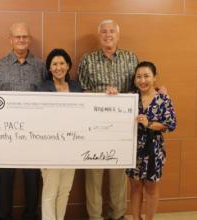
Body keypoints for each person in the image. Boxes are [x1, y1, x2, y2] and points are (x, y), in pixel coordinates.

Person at [0, 22, 47, 220]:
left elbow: (49, 94)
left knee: (32, 179)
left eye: (25, 37)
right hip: (6, 134)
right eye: (17, 37)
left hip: (34, 133)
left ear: (29, 39)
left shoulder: (41, 66)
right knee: (5, 178)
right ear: (10, 40)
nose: (21, 40)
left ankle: (31, 215)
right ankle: (3, 216)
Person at [78, 19, 138, 220]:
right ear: (99, 35)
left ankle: (118, 215)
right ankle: (95, 217)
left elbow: (137, 88)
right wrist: (102, 94)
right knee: (93, 176)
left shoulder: (131, 58)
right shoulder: (88, 59)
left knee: (117, 175)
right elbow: (82, 90)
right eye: (104, 32)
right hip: (93, 128)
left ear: (118, 34)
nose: (108, 34)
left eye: (112, 31)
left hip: (121, 129)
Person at [126, 61, 176, 220]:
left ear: (154, 78)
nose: (142, 80)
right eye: (138, 76)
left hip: (154, 149)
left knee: (151, 188)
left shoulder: (163, 99)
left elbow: (171, 124)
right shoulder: (130, 97)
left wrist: (149, 124)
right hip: (133, 147)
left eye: (146, 76)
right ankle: (136, 218)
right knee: (135, 187)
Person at [36, 49, 82, 220]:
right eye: (54, 64)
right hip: (49, 146)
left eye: (62, 63)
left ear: (68, 65)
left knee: (65, 190)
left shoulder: (76, 87)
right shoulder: (42, 88)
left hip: (72, 146)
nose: (58, 67)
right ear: (49, 68)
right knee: (50, 190)